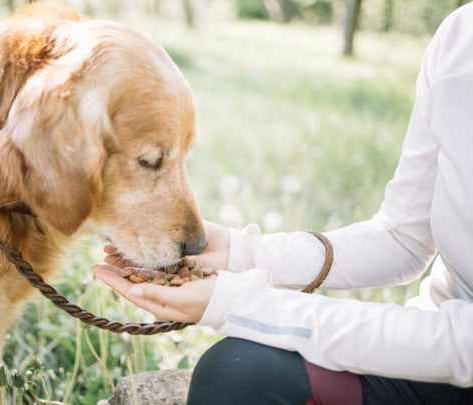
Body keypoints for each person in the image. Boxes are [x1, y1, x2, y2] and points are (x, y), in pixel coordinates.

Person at [92, 4, 473, 404]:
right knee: (238, 374)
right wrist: (245, 253)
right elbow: (403, 240)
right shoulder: (459, 39)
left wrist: (246, 305)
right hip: (433, 364)